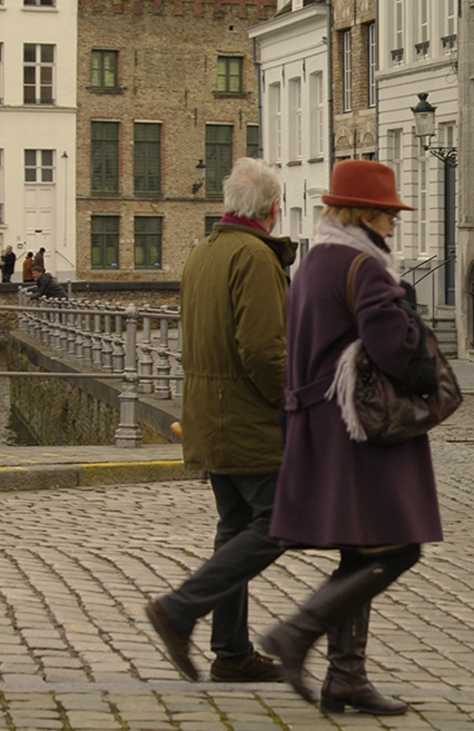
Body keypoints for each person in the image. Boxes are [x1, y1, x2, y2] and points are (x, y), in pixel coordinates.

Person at [262, 160, 441, 716]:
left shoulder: (315, 260)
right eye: (388, 215)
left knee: (361, 549)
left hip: (319, 420)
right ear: (366, 213)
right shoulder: (365, 266)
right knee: (399, 546)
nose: (393, 225)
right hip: (358, 429)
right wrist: (407, 312)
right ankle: (297, 632)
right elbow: (394, 350)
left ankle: (346, 678)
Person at [144, 157, 295, 684]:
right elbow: (262, 350)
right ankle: (179, 609)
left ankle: (231, 653)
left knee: (234, 529)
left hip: (209, 413)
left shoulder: (204, 252)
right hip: (246, 420)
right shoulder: (253, 257)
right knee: (279, 521)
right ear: (273, 209)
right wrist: (291, 405)